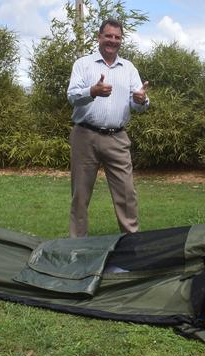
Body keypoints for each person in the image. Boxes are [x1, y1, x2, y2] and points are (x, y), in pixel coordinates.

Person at [66, 18, 149, 238]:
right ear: (99, 37)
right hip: (85, 136)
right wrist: (92, 91)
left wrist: (141, 100)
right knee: (80, 195)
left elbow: (137, 105)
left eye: (117, 37)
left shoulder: (129, 68)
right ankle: (77, 245)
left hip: (117, 138)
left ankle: (131, 242)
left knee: (126, 193)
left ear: (121, 40)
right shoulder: (83, 64)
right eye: (108, 36)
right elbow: (72, 96)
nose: (112, 41)